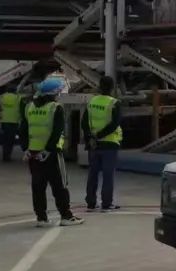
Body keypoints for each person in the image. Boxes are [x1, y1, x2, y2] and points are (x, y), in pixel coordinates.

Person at [19, 78, 84, 227]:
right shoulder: (56, 108)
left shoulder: (29, 107)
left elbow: (23, 130)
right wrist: (48, 149)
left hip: (33, 153)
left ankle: (41, 218)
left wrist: (26, 149)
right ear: (54, 93)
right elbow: (57, 132)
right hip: (51, 153)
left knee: (38, 186)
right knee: (60, 185)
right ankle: (66, 216)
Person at [82, 75, 122, 211]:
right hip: (109, 143)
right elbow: (114, 125)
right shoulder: (114, 103)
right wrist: (99, 135)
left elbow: (84, 122)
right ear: (112, 88)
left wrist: (91, 137)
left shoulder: (92, 101)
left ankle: (91, 202)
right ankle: (106, 203)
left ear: (99, 86)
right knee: (108, 175)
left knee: (92, 174)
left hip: (93, 144)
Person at [0, 86, 23, 162]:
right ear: (15, 90)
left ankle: (5, 156)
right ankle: (8, 156)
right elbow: (22, 109)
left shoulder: (2, 97)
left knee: (5, 140)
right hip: (14, 121)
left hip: (4, 121)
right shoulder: (18, 98)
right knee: (11, 140)